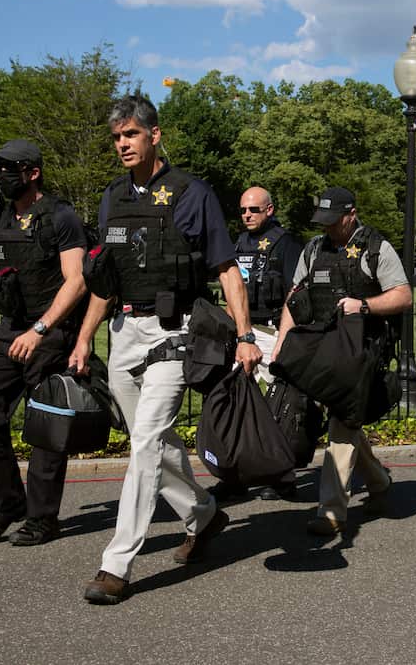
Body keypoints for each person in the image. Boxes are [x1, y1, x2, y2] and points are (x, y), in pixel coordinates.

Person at [69, 95, 263, 606]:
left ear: (155, 135)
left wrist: (245, 336)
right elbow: (106, 280)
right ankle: (203, 514)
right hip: (124, 331)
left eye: (130, 134)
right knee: (148, 439)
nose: (122, 144)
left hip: (175, 333)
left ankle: (117, 564)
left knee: (147, 440)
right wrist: (85, 334)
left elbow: (226, 270)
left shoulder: (193, 194)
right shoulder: (112, 197)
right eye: (116, 137)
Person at [0, 139, 89, 546]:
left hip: (49, 333)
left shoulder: (60, 216)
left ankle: (42, 518)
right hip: (8, 328)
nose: (1, 176)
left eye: (8, 168)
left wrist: (42, 329)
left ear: (32, 172)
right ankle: (8, 502)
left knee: (47, 426)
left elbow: (78, 279)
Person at [273, 187, 412, 536]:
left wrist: (363, 306)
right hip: (321, 347)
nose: (328, 228)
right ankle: (379, 481)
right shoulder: (314, 248)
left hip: (362, 349)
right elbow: (294, 297)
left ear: (351, 214)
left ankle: (332, 511)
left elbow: (403, 295)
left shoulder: (376, 248)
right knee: (344, 419)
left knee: (343, 421)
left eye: (333, 221)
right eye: (323, 221)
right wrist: (281, 344)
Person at [212, 185, 303, 502]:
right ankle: (235, 475)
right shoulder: (237, 243)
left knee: (279, 408)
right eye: (243, 210)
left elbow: (295, 292)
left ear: (270, 209)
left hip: (273, 329)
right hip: (244, 332)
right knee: (237, 405)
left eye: (254, 209)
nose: (247, 215)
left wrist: (285, 339)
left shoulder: (287, 244)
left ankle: (282, 477)